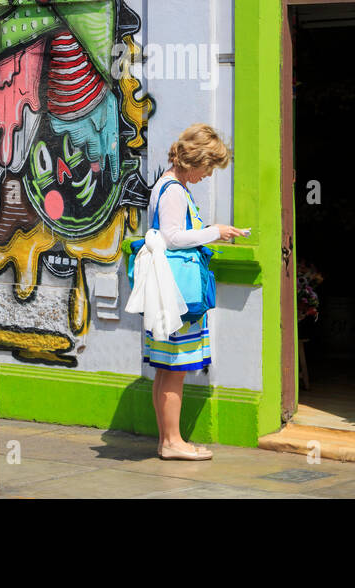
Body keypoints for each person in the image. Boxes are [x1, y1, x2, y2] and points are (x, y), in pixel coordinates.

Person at [145, 123, 249, 460]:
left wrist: (212, 231)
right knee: (175, 367)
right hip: (179, 293)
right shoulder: (174, 189)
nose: (207, 175)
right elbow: (173, 237)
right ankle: (173, 442)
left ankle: (168, 440)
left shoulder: (166, 184)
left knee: (165, 368)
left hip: (167, 291)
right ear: (197, 159)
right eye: (208, 167)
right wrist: (212, 232)